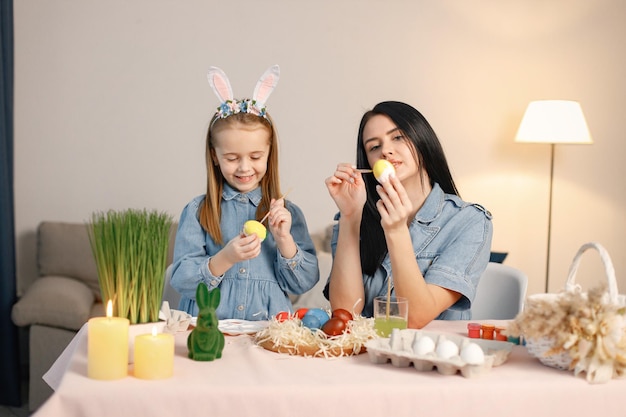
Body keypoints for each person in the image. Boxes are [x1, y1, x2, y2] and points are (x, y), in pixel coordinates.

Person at [324, 101, 492, 328]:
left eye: (398, 137)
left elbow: (414, 319)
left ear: (422, 139)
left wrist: (396, 230)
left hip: (429, 358)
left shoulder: (469, 222)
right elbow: (345, 314)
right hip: (365, 355)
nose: (385, 150)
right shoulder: (355, 216)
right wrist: (350, 217)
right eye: (374, 147)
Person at [171, 65, 319, 320]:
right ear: (215, 157)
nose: (244, 167)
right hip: (209, 330)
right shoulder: (198, 211)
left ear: (269, 154)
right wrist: (224, 258)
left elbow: (303, 283)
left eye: (255, 156)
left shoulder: (287, 213)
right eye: (231, 157)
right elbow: (182, 280)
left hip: (268, 333)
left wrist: (284, 240)